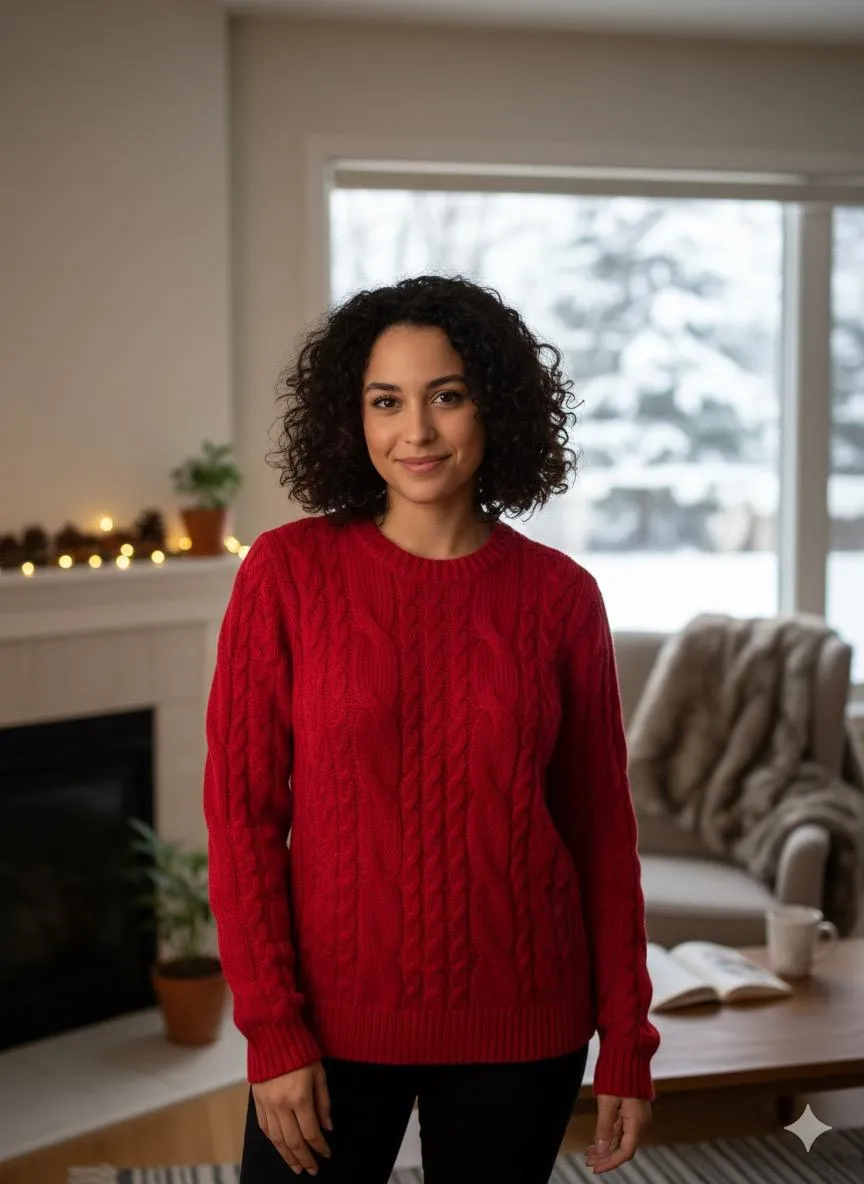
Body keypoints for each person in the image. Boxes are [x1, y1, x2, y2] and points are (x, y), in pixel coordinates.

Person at [203, 274, 661, 1184]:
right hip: (331, 1027)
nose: (415, 431)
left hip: (524, 1020)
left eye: (445, 396)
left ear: (494, 408)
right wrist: (273, 1028)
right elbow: (242, 817)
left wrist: (628, 1040)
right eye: (387, 401)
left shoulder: (561, 597)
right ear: (353, 416)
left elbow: (603, 832)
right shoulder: (286, 575)